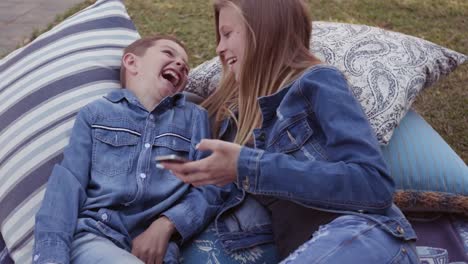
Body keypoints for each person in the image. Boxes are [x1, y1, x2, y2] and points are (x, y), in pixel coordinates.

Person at [161, 0, 421, 263]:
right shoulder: (232, 123)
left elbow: (373, 185)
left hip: (368, 235)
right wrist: (166, 229)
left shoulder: (317, 82)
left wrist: (248, 166)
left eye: (227, 34)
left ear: (262, 29)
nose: (219, 48)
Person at [33, 35, 230, 264]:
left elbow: (213, 185)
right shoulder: (96, 114)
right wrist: (50, 258)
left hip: (158, 253)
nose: (180, 64)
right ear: (132, 62)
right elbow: (66, 187)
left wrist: (167, 224)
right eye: (168, 53)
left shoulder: (195, 118)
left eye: (185, 66)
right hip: (97, 235)